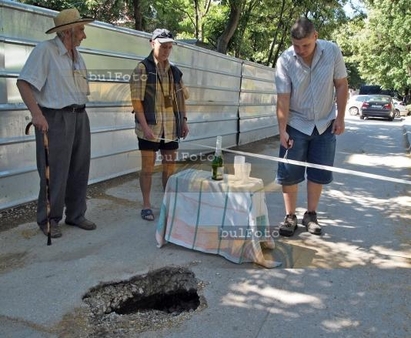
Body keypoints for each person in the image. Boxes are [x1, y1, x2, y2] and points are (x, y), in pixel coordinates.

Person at [17, 8, 97, 238]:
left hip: (80, 116)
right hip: (55, 118)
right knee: (55, 172)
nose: (84, 34)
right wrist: (37, 114)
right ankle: (49, 219)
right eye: (81, 29)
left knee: (80, 169)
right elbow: (24, 83)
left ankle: (75, 214)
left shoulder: (76, 55)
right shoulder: (46, 50)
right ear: (68, 32)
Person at [274, 17, 348, 236]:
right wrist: (282, 130)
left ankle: (311, 215)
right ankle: (290, 217)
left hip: (325, 124)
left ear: (315, 37)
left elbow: (342, 84)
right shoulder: (285, 60)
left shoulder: (332, 51)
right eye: (296, 45)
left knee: (318, 173)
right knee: (289, 173)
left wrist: (341, 117)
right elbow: (283, 98)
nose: (300, 50)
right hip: (296, 122)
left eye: (305, 45)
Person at [130, 28, 189, 221]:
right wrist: (145, 127)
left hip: (171, 127)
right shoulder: (142, 69)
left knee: (169, 168)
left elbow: (181, 98)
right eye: (163, 46)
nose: (166, 50)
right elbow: (136, 101)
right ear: (152, 43)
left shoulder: (174, 71)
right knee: (147, 168)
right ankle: (146, 205)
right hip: (150, 128)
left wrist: (184, 121)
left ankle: (168, 204)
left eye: (170, 47)